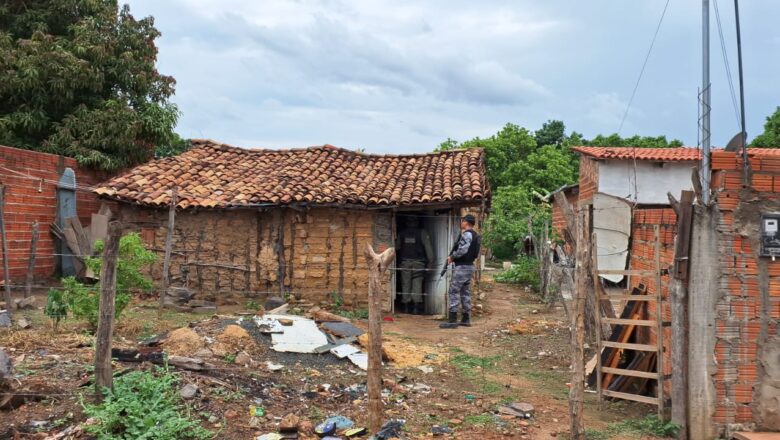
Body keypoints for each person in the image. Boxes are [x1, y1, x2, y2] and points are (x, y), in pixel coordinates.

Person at [440, 214, 481, 329]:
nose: (461, 222)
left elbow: (463, 249)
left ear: (466, 222)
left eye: (462, 221)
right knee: (465, 292)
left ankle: (453, 320)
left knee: (453, 291)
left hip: (462, 267)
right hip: (469, 266)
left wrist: (452, 257)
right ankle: (465, 318)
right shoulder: (476, 236)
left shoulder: (467, 234)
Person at [396, 216, 434, 314]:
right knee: (417, 284)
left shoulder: (401, 234)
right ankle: (415, 308)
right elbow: (429, 250)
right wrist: (430, 263)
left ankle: (406, 308)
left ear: (407, 223)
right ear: (417, 222)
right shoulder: (422, 233)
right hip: (419, 263)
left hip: (405, 263)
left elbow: (396, 248)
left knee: (405, 284)